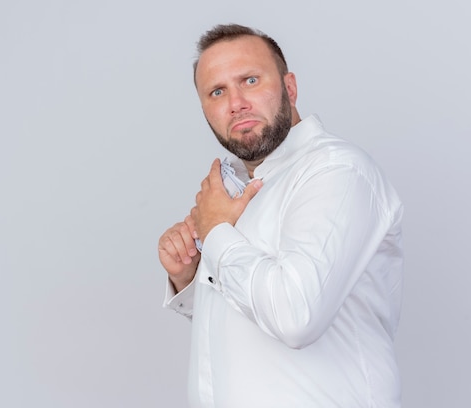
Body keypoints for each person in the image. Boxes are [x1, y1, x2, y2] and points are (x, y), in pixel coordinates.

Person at [158, 23, 404, 408]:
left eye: (250, 80)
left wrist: (218, 232)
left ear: (290, 87)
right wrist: (189, 277)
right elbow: (246, 328)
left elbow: (295, 316)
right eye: (217, 91)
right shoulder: (236, 188)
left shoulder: (337, 172)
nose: (235, 102)